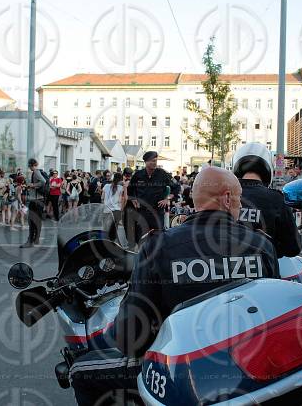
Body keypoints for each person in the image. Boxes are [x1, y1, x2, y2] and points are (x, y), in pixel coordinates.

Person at [70, 167, 279, 405]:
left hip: (181, 371)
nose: (240, 205)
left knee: (80, 371)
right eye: (239, 198)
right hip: (250, 368)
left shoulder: (159, 246)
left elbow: (131, 338)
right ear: (227, 197)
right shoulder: (262, 246)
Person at [232, 142, 301, 258]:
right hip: (267, 271)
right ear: (268, 168)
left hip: (227, 270)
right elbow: (293, 248)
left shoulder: (225, 196)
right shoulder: (277, 198)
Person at [127, 151, 180, 245]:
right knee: (141, 239)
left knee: (157, 238)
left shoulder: (163, 174)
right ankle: (142, 257)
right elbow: (130, 190)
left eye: (155, 160)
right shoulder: (138, 175)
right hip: (142, 212)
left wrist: (167, 199)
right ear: (146, 162)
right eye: (152, 161)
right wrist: (133, 199)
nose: (154, 163)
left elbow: (176, 187)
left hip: (157, 213)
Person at [20, 158, 47, 248]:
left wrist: (33, 185)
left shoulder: (35, 172)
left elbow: (43, 181)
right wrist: (30, 186)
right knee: (37, 221)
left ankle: (30, 241)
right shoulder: (37, 171)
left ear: (31, 165)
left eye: (29, 165)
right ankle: (36, 239)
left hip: (36, 200)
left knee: (31, 221)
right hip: (39, 199)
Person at [102, 172, 125, 242]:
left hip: (106, 209)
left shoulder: (106, 186)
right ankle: (113, 242)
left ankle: (106, 241)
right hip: (116, 210)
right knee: (115, 228)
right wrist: (122, 209)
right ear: (120, 180)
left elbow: (102, 197)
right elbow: (121, 200)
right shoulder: (121, 188)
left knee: (106, 227)